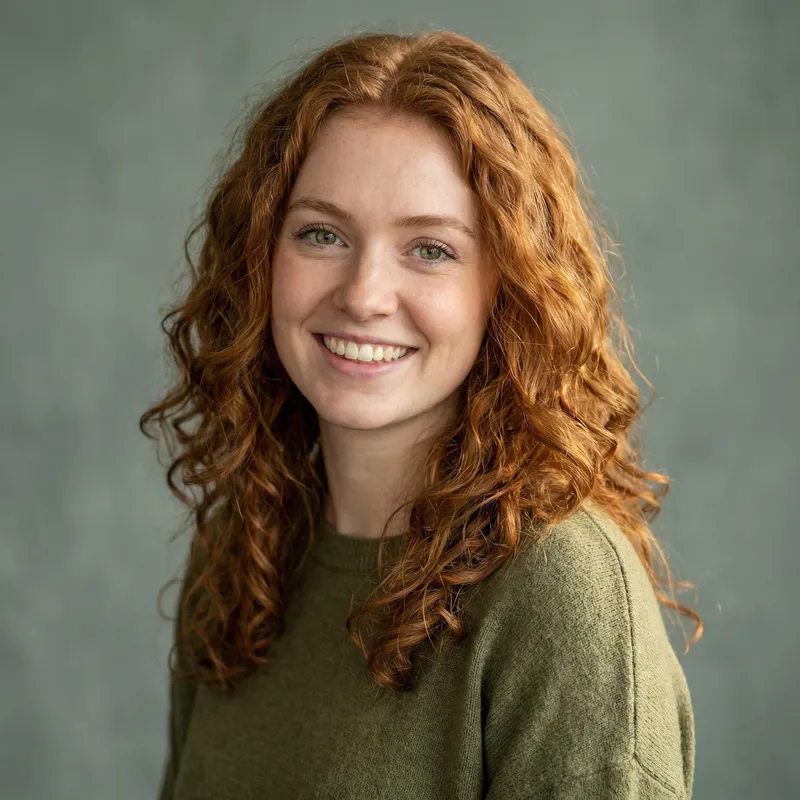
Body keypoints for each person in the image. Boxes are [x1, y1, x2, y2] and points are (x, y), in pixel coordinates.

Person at [140, 28, 703, 800]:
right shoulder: (244, 555)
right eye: (321, 234)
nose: (364, 293)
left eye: (430, 249)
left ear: (507, 289)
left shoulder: (560, 592)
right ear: (260, 259)